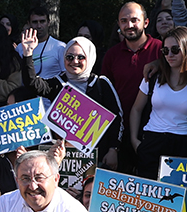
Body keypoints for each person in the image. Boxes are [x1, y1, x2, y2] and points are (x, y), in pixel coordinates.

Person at [19, 33, 122, 168]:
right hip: (62, 157)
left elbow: (117, 118)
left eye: (81, 57)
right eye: (69, 57)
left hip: (96, 156)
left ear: (90, 58)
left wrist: (113, 149)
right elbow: (32, 83)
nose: (75, 61)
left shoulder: (101, 84)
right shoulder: (57, 83)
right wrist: (27, 54)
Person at [129, 25, 187, 179]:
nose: (169, 54)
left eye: (175, 50)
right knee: (148, 196)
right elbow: (136, 109)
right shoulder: (153, 78)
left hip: (184, 145)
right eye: (165, 50)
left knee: (178, 197)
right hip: (152, 141)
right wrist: (135, 141)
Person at [20, 6, 67, 79]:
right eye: (35, 22)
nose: (39, 26)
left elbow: (66, 74)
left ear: (48, 22)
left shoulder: (60, 47)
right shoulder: (20, 47)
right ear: (29, 23)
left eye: (42, 21)